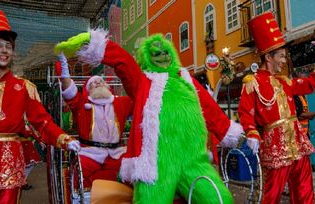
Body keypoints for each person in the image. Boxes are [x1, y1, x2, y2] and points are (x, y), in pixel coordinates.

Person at [57, 28, 245, 204]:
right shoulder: (144, 82)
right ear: (148, 58)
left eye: (165, 53)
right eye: (156, 54)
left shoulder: (186, 79)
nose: (163, 57)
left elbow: (210, 108)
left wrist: (229, 132)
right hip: (157, 165)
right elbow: (123, 61)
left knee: (219, 198)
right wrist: (96, 44)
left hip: (193, 161)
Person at [0, 7, 80, 204]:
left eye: (8, 46)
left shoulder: (24, 87)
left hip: (10, 167)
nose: (4, 50)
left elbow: (43, 123)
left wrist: (64, 139)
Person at [237, 12, 315, 204]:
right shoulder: (252, 83)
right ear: (268, 57)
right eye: (280, 56)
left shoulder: (285, 81)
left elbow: (308, 85)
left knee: (305, 192)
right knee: (271, 196)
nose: (283, 60)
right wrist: (252, 133)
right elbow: (245, 112)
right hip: (275, 148)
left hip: (298, 144)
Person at [57, 53, 133, 188]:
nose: (98, 83)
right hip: (90, 153)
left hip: (116, 153)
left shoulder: (120, 102)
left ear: (107, 86)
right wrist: (64, 70)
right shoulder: (82, 104)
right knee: (78, 173)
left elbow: (139, 98)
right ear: (88, 90)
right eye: (93, 83)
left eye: (100, 82)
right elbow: (70, 91)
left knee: (132, 168)